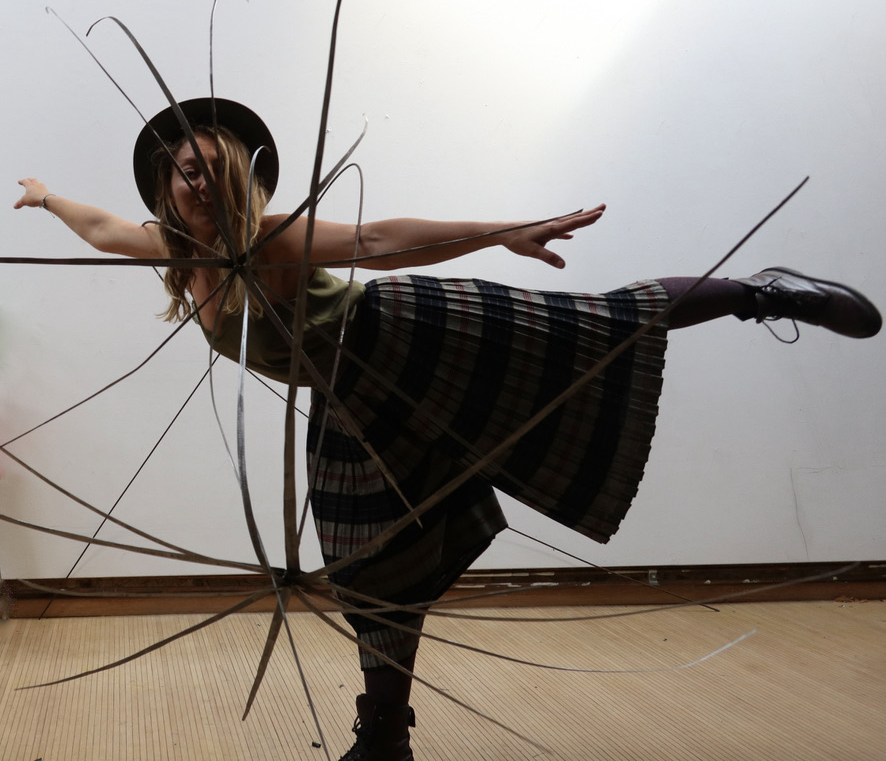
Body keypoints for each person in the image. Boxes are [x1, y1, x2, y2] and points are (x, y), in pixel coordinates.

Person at [13, 98, 882, 761]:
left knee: (597, 328)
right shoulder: (178, 255)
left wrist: (503, 233)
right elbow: (102, 229)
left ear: (240, 175)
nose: (197, 182)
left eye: (211, 168)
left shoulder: (272, 238)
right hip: (355, 407)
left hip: (410, 334)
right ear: (164, 188)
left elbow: (381, 239)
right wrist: (48, 197)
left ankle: (760, 294)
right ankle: (385, 739)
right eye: (182, 172)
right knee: (373, 568)